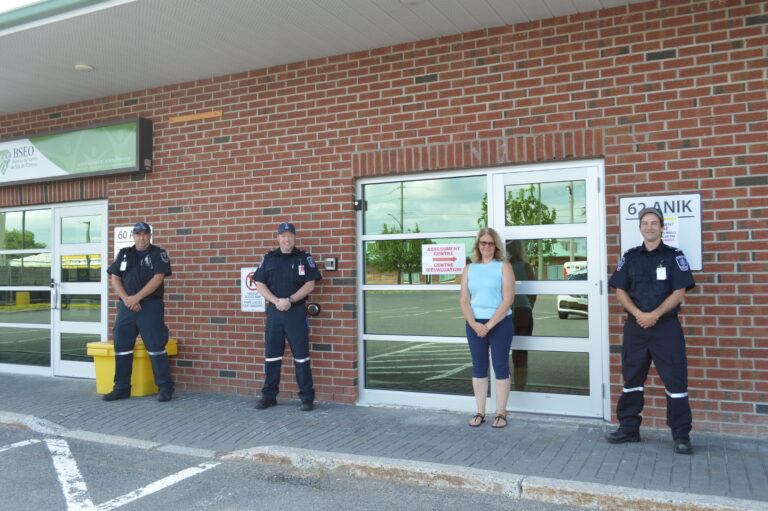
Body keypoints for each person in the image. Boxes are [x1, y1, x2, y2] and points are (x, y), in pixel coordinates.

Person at [606, 207, 696, 454]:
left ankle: (681, 436)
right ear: (639, 228)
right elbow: (619, 290)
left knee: (675, 381)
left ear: (662, 227)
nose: (649, 227)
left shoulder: (673, 256)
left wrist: (654, 315)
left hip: (665, 327)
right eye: (645, 223)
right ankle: (628, 429)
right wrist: (638, 315)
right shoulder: (631, 257)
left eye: (654, 223)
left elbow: (679, 292)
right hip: (636, 327)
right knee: (632, 379)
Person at [252, 222, 322, 411]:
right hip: (275, 312)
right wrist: (276, 301)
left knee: (301, 357)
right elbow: (260, 284)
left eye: (290, 235)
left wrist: (289, 300)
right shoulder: (268, 258)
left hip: (296, 313)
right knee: (272, 356)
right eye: (283, 236)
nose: (287, 239)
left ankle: (307, 398)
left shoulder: (304, 258)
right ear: (278, 238)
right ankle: (269, 396)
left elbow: (310, 285)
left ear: (295, 238)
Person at [104, 222, 174, 402]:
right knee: (122, 348)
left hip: (150, 306)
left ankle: (165, 388)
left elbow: (158, 279)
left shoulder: (158, 253)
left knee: (156, 347)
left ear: (150, 236)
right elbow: (115, 278)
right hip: (126, 307)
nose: (141, 237)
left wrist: (136, 298)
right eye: (138, 234)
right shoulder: (124, 253)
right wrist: (128, 299)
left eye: (145, 234)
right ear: (133, 236)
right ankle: (121, 388)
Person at [459, 228, 516, 428]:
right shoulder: (469, 269)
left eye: (490, 243)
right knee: (478, 367)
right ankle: (480, 411)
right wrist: (475, 324)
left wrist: (489, 325)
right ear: (478, 246)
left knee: (500, 366)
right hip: (475, 325)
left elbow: (508, 300)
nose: (486, 246)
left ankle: (501, 413)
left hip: (500, 323)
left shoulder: (504, 267)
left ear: (496, 246)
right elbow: (464, 300)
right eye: (483, 243)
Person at [508, 240, 536, 390]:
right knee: (522, 350)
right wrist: (529, 307)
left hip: (508, 311)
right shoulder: (526, 267)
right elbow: (533, 292)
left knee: (513, 349)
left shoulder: (505, 267)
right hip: (524, 311)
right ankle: (521, 386)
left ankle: (514, 383)